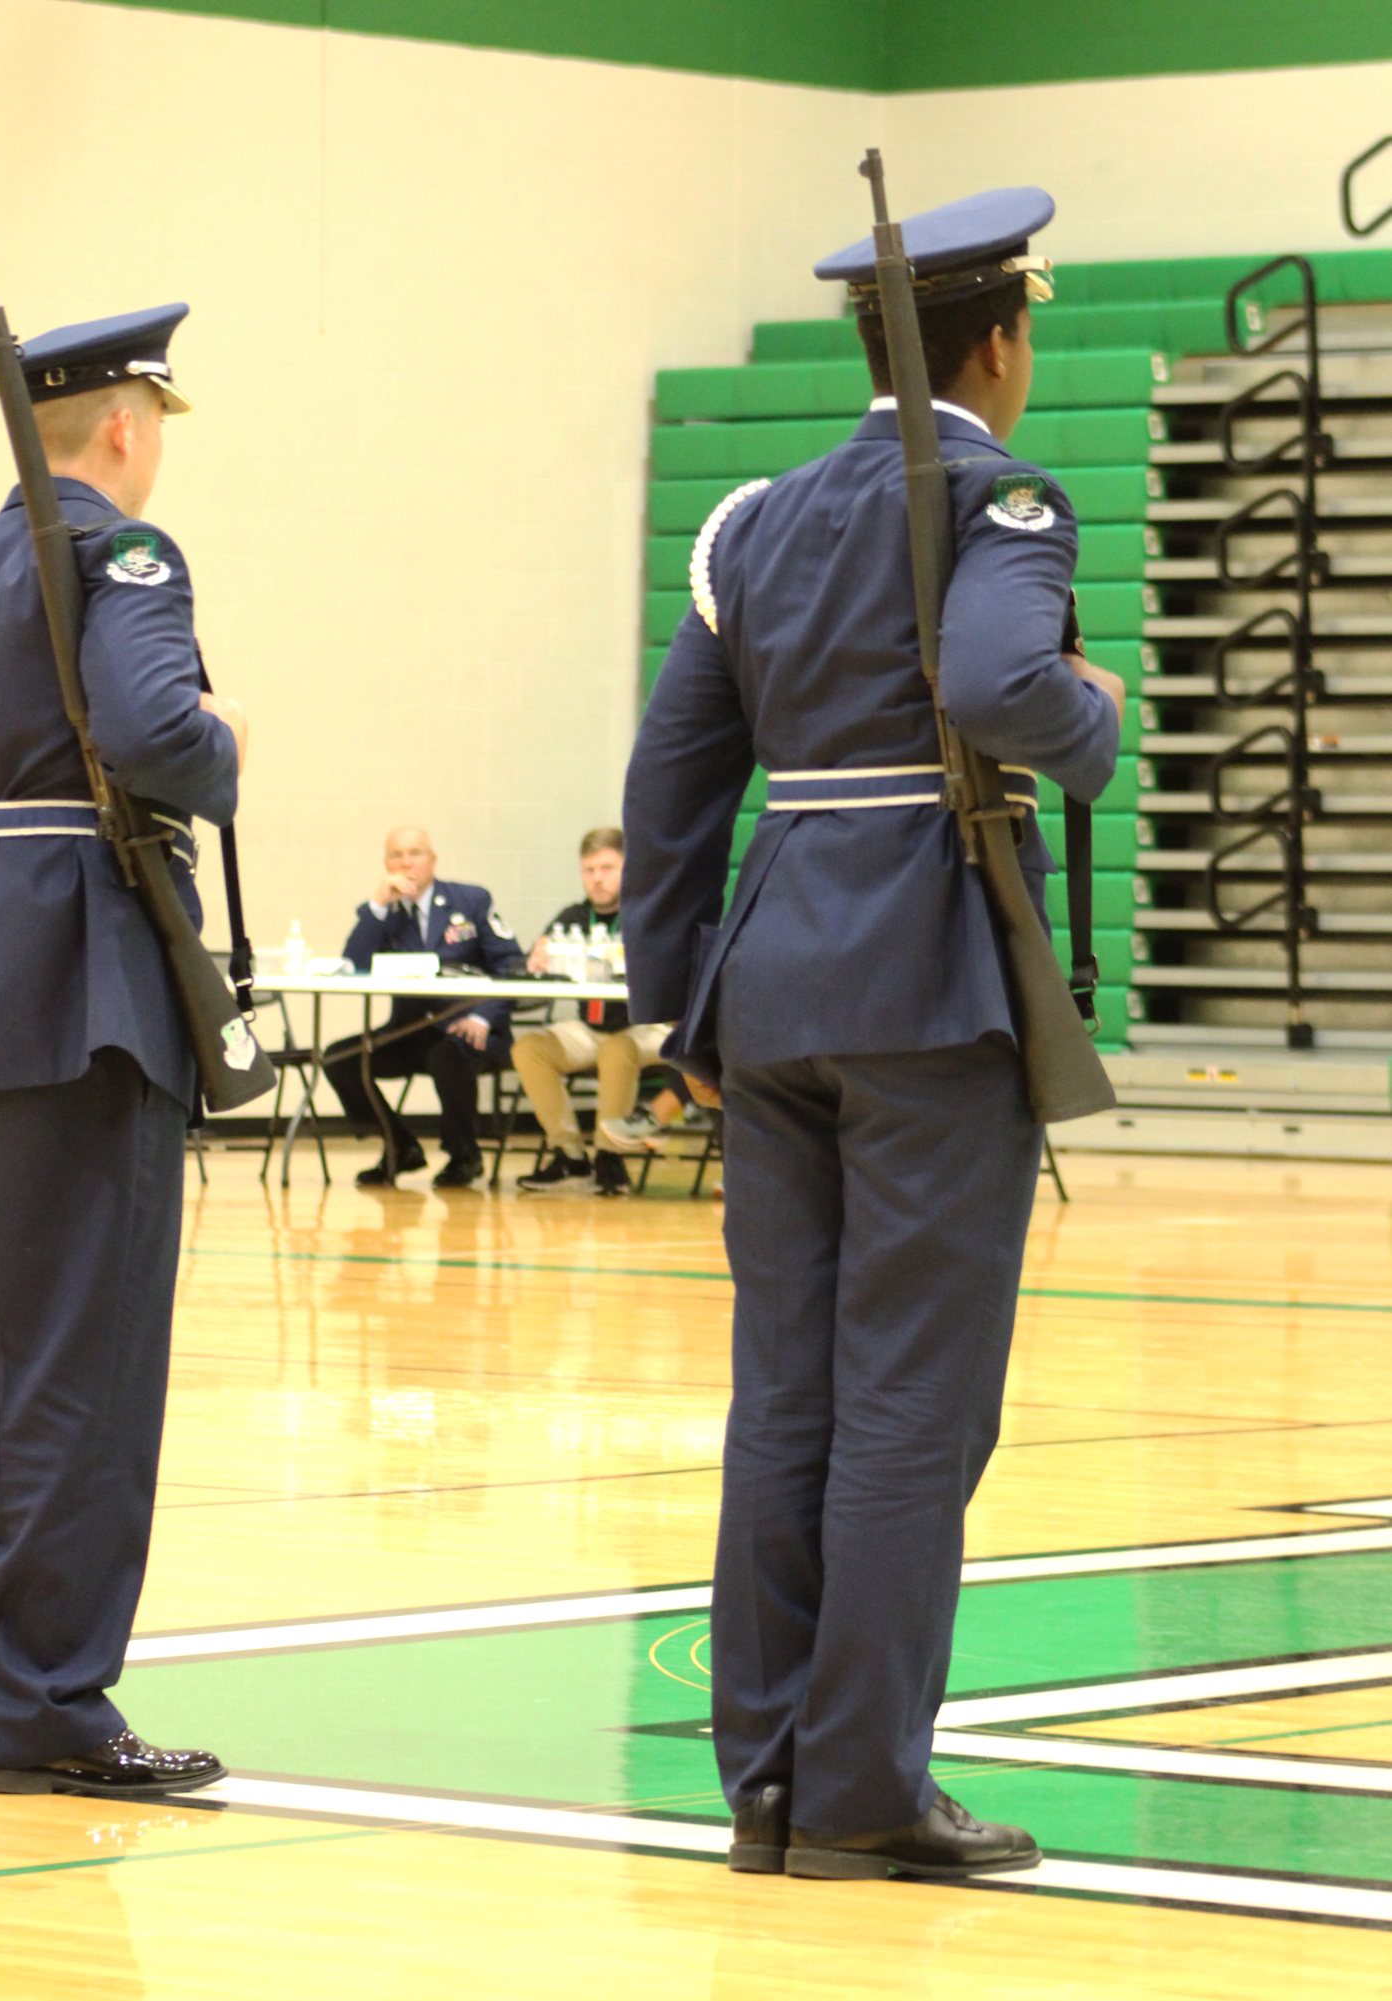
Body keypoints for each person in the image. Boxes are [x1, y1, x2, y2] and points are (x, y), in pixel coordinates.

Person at [620, 187, 1125, 1880]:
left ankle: (764, 1782)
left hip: (768, 991)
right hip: (921, 979)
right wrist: (1091, 717)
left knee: (787, 1396)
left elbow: (673, 781)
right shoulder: (1001, 502)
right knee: (911, 1399)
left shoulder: (749, 521)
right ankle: (861, 1791)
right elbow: (997, 691)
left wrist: (670, 992)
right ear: (997, 343)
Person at [0, 304, 244, 1797]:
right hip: (79, 989)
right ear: (124, 426)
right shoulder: (117, 554)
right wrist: (223, 738)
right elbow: (150, 730)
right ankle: (47, 1701)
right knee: (82, 1364)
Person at [323, 826, 525, 1187]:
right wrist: (378, 906)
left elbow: (511, 966)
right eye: (397, 856)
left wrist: (483, 1015)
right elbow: (353, 965)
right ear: (386, 864)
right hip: (410, 1031)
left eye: (415, 853)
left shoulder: (471, 901)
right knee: (339, 1058)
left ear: (433, 860)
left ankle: (465, 1155)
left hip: (470, 1032)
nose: (406, 862)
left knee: (446, 1054)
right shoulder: (384, 913)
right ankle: (399, 1147)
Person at [513, 828, 671, 1197]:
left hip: (647, 1025)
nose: (597, 879)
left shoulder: (647, 914)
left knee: (618, 1049)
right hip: (592, 1027)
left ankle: (609, 1155)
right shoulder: (572, 916)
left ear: (628, 869)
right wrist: (534, 964)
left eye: (606, 868)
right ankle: (569, 1155)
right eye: (589, 870)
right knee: (529, 1048)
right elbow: (531, 975)